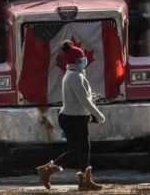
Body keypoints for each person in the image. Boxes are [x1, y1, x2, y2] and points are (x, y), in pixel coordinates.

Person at [36, 41, 105, 191]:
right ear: (75, 60)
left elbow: (81, 96)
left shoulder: (74, 74)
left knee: (84, 149)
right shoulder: (75, 76)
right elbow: (83, 100)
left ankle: (85, 180)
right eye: (81, 57)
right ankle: (47, 170)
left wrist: (91, 98)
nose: (84, 59)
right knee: (76, 150)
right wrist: (99, 115)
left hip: (75, 117)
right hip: (72, 119)